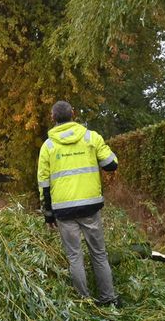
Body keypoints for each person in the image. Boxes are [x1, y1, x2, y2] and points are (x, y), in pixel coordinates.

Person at [36, 100, 120, 306]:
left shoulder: (48, 146)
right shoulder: (91, 137)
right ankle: (108, 298)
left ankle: (84, 302)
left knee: (75, 257)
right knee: (99, 254)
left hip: (63, 211)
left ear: (53, 117)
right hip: (90, 207)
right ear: (73, 114)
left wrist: (48, 214)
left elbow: (43, 183)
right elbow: (111, 165)